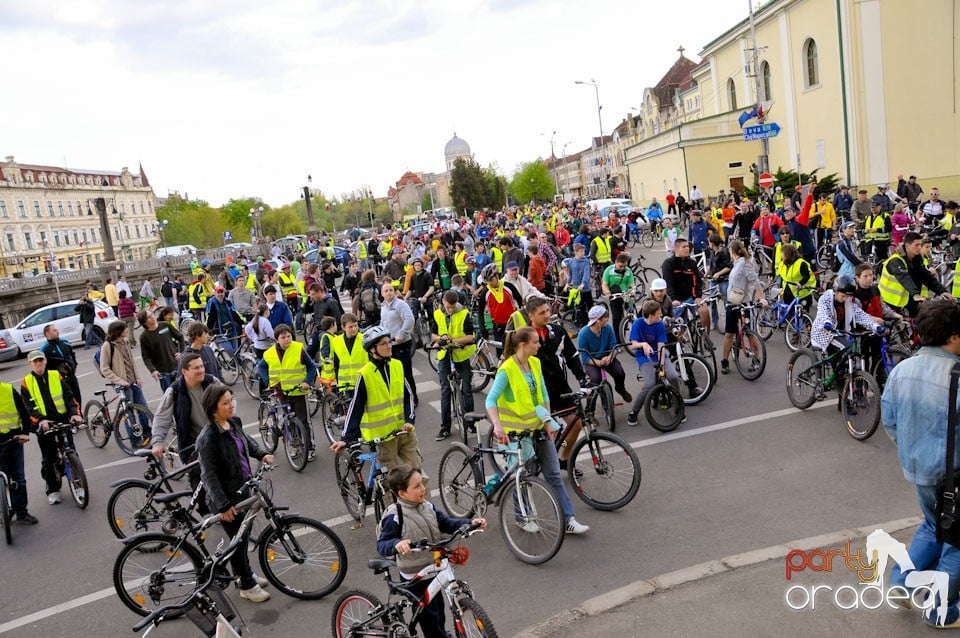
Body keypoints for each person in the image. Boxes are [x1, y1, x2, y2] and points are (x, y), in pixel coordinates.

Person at [880, 299, 960, 628]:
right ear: (954, 337)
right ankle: (941, 610)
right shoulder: (956, 375)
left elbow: (890, 420)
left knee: (932, 526)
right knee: (956, 540)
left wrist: (914, 450)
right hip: (953, 476)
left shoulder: (902, 371)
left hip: (920, 473)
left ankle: (902, 582)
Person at [485, 325, 589, 535]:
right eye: (535, 342)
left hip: (538, 427)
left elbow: (543, 395)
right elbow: (491, 399)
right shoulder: (507, 369)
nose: (539, 345)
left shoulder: (534, 363)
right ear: (523, 345)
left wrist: (548, 421)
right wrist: (497, 425)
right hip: (516, 432)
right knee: (521, 477)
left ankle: (568, 519)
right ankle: (522, 517)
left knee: (553, 475)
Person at [377, 465, 485, 638]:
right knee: (429, 616)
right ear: (402, 493)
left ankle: (440, 633)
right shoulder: (395, 515)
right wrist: (397, 543)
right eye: (417, 486)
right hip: (414, 574)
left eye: (422, 484)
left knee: (439, 611)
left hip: (433, 567)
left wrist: (469, 524)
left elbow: (447, 523)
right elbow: (382, 544)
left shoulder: (427, 506)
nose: (423, 488)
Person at [196, 385, 274, 603]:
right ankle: (247, 585)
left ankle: (245, 575)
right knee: (238, 542)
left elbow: (247, 442)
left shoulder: (234, 423)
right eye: (225, 403)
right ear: (213, 409)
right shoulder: (208, 438)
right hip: (227, 498)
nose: (231, 405)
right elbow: (208, 476)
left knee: (242, 537)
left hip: (243, 489)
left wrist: (262, 454)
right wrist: (223, 505)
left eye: (232, 400)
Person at [330, 326, 425, 479]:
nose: (389, 346)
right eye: (384, 344)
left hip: (404, 432)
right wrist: (346, 439)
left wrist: (409, 420)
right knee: (391, 482)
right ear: (372, 349)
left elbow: (409, 396)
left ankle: (422, 504)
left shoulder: (397, 365)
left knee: (419, 477)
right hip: (383, 439)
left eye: (389, 342)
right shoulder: (365, 374)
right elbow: (356, 408)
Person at [21, 349, 84, 505]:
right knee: (48, 458)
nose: (38, 363)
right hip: (43, 424)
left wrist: (74, 414)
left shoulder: (56, 375)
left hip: (62, 420)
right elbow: (28, 407)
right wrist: (41, 420)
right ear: (30, 364)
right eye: (35, 361)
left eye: (40, 360)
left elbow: (69, 397)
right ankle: (52, 489)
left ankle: (78, 484)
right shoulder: (26, 382)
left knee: (71, 452)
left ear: (45, 361)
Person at [257, 323, 319, 460]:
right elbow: (261, 368)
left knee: (302, 421)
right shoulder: (269, 353)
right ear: (276, 339)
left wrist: (308, 382)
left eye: (289, 336)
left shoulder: (298, 348)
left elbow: (311, 367)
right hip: (281, 392)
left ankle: (309, 448)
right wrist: (268, 381)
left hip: (298, 391)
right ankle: (296, 446)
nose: (287, 339)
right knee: (288, 420)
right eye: (283, 337)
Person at [626, 300, 682, 428]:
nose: (661, 316)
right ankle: (634, 412)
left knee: (673, 376)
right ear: (651, 315)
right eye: (659, 314)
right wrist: (643, 344)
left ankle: (678, 407)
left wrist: (662, 366)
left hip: (659, 354)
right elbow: (634, 345)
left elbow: (661, 346)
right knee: (650, 383)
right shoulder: (638, 324)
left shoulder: (660, 325)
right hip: (643, 357)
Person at [430, 290, 475, 441]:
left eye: (453, 306)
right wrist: (441, 338)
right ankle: (445, 427)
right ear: (443, 301)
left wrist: (455, 340)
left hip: (461, 354)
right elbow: (433, 334)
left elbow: (471, 336)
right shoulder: (437, 314)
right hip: (444, 354)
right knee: (445, 390)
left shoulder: (463, 313)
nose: (450, 309)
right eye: (448, 307)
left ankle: (470, 421)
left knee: (467, 388)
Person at [719, 241, 768, 375]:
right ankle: (725, 360)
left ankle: (756, 359)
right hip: (732, 301)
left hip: (742, 302)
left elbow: (755, 281)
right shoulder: (736, 264)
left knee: (748, 333)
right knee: (730, 333)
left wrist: (761, 298)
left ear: (732, 251)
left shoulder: (745, 264)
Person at [99, 320, 151, 448]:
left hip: (133, 381)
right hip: (122, 384)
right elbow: (104, 368)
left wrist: (137, 377)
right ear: (118, 331)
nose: (127, 330)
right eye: (124, 328)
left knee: (143, 408)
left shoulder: (125, 341)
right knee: (129, 413)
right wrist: (119, 380)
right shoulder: (108, 346)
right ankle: (135, 440)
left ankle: (147, 434)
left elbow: (131, 362)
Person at [878, 231, 953, 317]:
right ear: (907, 245)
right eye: (916, 245)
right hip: (891, 303)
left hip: (908, 301)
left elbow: (926, 277)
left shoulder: (916, 259)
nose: (919, 248)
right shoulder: (896, 261)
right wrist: (915, 294)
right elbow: (905, 278)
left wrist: (942, 291)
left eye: (920, 245)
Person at [0, 379, 39, 524]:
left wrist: (26, 433)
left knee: (18, 477)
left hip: (14, 440)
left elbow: (24, 412)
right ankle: (4, 512)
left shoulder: (8, 390)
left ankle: (21, 512)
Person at [578, 306, 631, 401]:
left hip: (607, 357)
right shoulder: (583, 334)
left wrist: (610, 357)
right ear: (598, 321)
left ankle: (620, 389)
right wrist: (598, 362)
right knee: (595, 380)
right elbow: (584, 357)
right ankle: (590, 409)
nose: (607, 319)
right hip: (592, 360)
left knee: (620, 373)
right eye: (605, 318)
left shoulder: (607, 328)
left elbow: (614, 346)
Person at [380, 281, 418, 406]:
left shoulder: (401, 305)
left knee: (406, 373)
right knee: (394, 374)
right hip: (390, 345)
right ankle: (402, 398)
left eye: (391, 290)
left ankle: (413, 398)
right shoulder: (383, 307)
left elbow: (410, 319)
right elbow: (383, 323)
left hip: (402, 344)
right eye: (386, 291)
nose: (389, 292)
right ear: (382, 294)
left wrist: (401, 334)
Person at [138, 310, 180, 393]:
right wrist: (153, 370)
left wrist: (181, 351)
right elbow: (146, 357)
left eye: (152, 314)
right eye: (149, 317)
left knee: (182, 391)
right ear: (144, 322)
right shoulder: (144, 337)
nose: (153, 317)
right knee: (169, 394)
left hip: (176, 365)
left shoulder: (165, 325)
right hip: (162, 372)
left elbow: (180, 337)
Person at [39, 324, 81, 407]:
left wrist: (74, 365)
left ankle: (80, 416)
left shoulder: (64, 342)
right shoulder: (44, 349)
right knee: (67, 400)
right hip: (59, 379)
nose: (57, 332)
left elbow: (72, 354)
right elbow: (43, 366)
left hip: (71, 376)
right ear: (47, 334)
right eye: (54, 330)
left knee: (77, 398)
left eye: (57, 330)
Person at [329, 312, 367, 391]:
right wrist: (338, 381)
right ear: (343, 327)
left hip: (362, 383)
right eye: (350, 327)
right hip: (345, 385)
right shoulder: (336, 341)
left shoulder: (364, 339)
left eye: (355, 325)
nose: (354, 329)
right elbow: (336, 364)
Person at [601, 253, 634, 343]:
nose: (623, 269)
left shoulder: (628, 271)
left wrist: (633, 290)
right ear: (615, 262)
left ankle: (635, 335)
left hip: (626, 294)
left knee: (633, 314)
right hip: (615, 295)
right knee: (616, 318)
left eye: (624, 266)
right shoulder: (609, 270)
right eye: (620, 266)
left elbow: (632, 284)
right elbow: (604, 284)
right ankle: (618, 340)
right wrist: (607, 291)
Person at [205, 286, 244, 354]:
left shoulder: (228, 302)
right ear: (215, 293)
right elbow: (209, 317)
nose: (220, 294)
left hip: (231, 329)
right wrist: (207, 329)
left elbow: (235, 313)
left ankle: (235, 363)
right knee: (230, 351)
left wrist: (243, 322)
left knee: (236, 350)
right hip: (219, 331)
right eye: (218, 292)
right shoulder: (212, 303)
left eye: (222, 292)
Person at [567, 243, 593, 325]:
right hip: (576, 289)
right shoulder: (572, 261)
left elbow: (586, 274)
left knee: (590, 307)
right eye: (581, 251)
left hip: (585, 289)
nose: (583, 253)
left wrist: (583, 284)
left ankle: (593, 321)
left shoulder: (586, 262)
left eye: (583, 251)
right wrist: (567, 283)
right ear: (576, 252)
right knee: (580, 308)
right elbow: (570, 274)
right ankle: (584, 323)